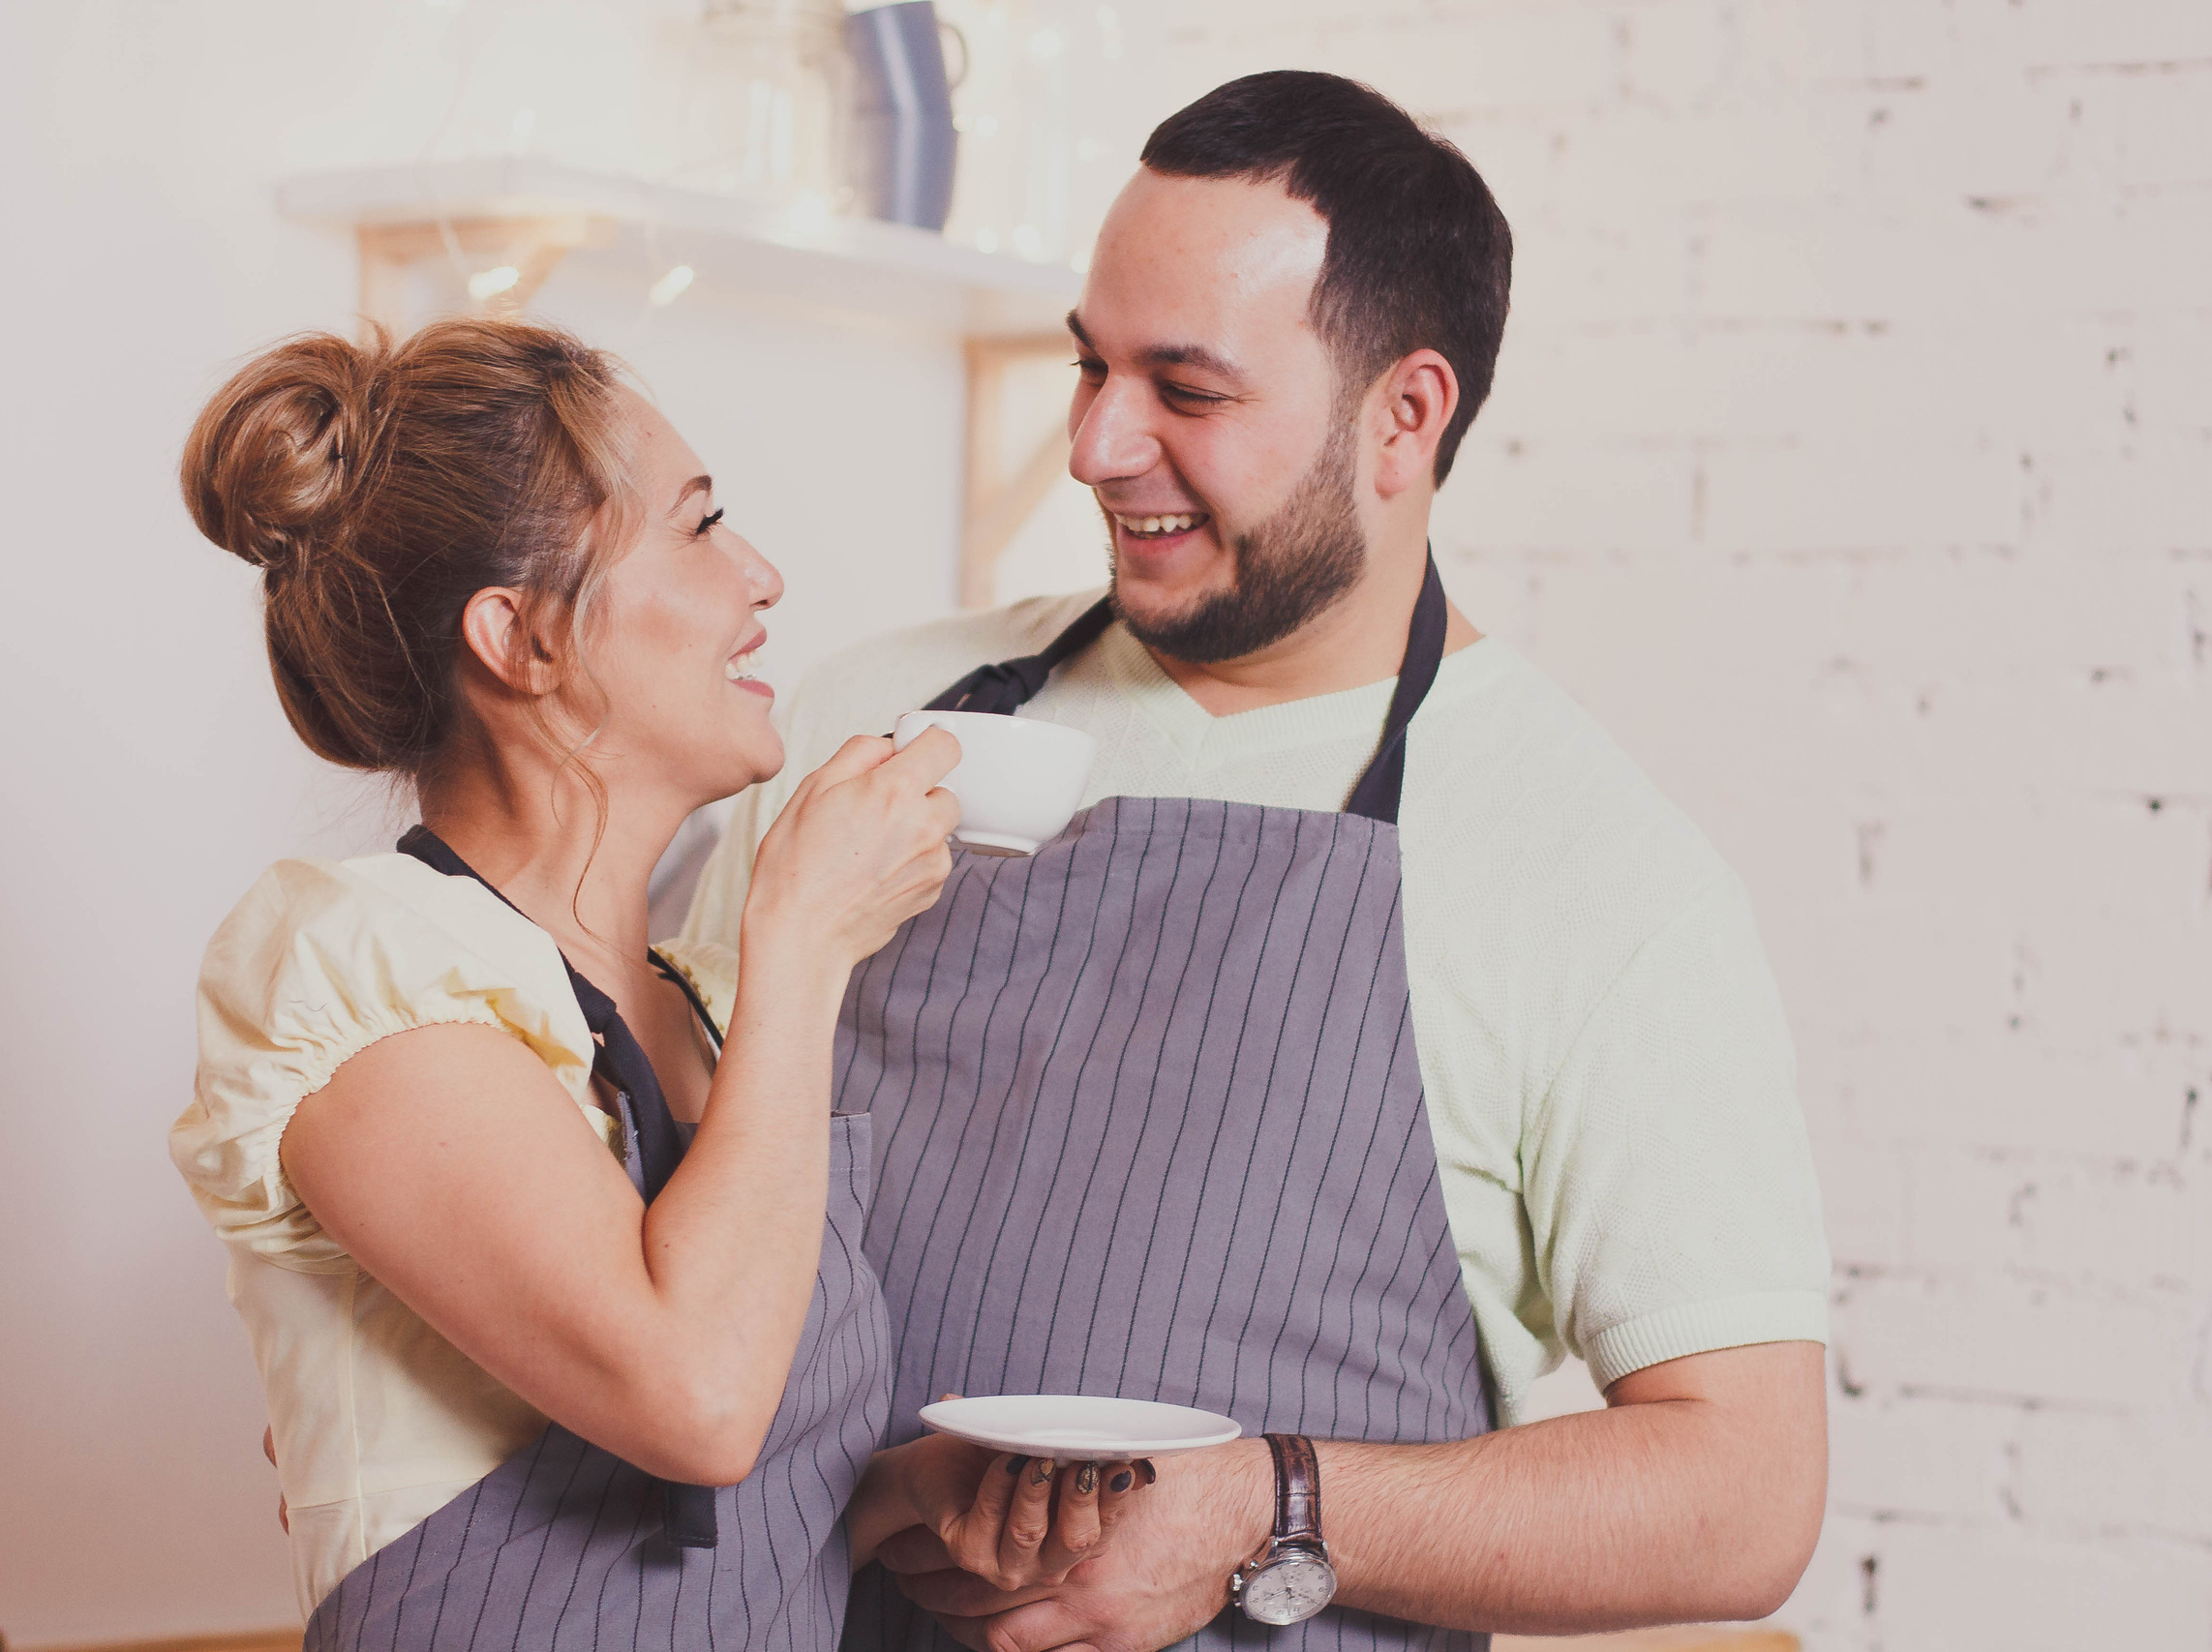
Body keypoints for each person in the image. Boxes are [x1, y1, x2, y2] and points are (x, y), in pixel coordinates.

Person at [678, 72, 1833, 1650]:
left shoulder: (1597, 876)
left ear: (1403, 418)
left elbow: (1741, 1492)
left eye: (1187, 390)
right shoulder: (863, 715)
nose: (1094, 443)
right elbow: (643, 1185)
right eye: (1090, 364)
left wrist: (1265, 1510)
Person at [168, 316, 1138, 1649]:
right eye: (698, 526)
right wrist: (805, 934)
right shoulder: (359, 968)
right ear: (522, 638)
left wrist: (900, 1496)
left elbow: (714, 1488)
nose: (763, 576)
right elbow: (692, 1399)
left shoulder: (699, 1004)